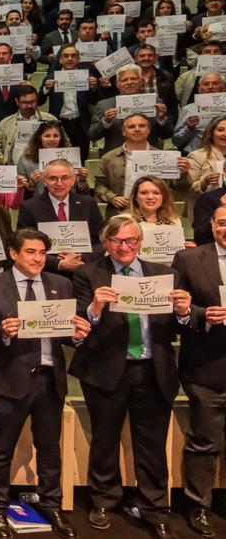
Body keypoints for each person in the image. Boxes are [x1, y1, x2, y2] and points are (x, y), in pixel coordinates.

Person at [72, 215, 193, 537]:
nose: (124, 247)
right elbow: (79, 328)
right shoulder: (88, 274)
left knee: (152, 444)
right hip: (106, 370)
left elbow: (183, 325)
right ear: (106, 243)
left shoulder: (167, 273)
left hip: (154, 369)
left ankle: (154, 507)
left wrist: (183, 312)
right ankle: (103, 501)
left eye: (130, 240)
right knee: (104, 440)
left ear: (140, 242)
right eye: (116, 241)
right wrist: (95, 308)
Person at [0, 230, 85, 539]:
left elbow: (65, 332)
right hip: (9, 377)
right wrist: (3, 332)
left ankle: (52, 505)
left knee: (50, 449)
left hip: (50, 378)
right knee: (0, 449)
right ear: (14, 254)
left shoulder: (61, 284)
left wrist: (76, 335)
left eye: (41, 253)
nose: (37, 258)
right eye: (30, 252)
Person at [170, 204, 226, 535]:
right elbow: (178, 307)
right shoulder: (189, 259)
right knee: (203, 441)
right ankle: (198, 505)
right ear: (210, 225)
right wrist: (202, 314)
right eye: (221, 223)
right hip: (207, 367)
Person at [17, 159, 105, 277]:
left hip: (84, 271)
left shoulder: (88, 204)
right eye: (53, 178)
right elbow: (24, 246)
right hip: (46, 273)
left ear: (73, 180)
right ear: (44, 181)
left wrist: (80, 258)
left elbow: (102, 241)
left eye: (65, 178)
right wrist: (60, 263)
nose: (59, 183)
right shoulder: (29, 207)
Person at [93, 113, 191, 210]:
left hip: (156, 213)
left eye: (142, 126)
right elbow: (99, 186)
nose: (137, 129)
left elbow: (181, 188)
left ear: (148, 130)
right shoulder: (108, 158)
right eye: (131, 127)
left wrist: (183, 173)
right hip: (121, 213)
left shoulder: (164, 157)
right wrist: (112, 198)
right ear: (123, 132)